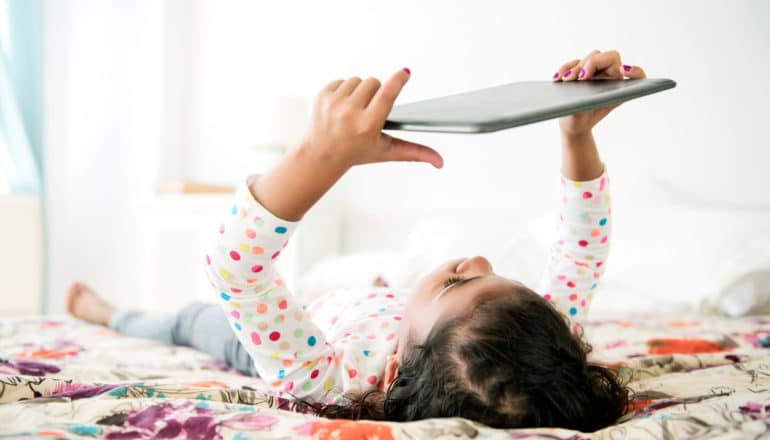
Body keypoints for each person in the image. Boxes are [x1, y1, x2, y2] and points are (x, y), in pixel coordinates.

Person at [68, 49, 644, 431]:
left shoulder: (323, 381)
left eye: (456, 280)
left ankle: (113, 314)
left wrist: (319, 157)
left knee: (188, 322)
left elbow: (235, 272)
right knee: (382, 284)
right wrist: (577, 132)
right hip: (374, 303)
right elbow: (580, 249)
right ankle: (380, 293)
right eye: (495, 276)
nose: (476, 257)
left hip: (306, 327)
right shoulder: (541, 341)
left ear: (392, 373)